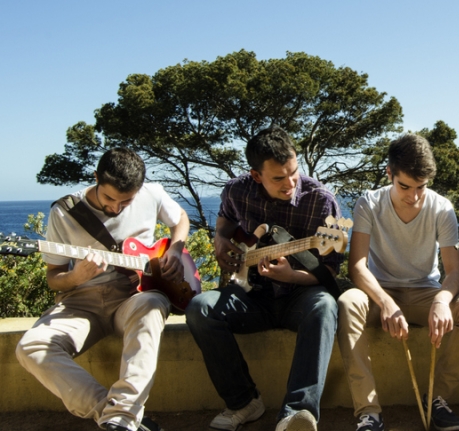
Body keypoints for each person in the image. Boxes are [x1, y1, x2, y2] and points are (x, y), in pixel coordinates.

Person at [16, 148, 190, 431]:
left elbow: (180, 217)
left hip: (133, 298)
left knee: (153, 304)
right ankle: (116, 416)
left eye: (126, 201)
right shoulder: (64, 212)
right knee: (30, 347)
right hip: (81, 303)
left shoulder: (152, 194)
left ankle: (121, 416)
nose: (116, 208)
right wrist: (76, 276)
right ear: (96, 178)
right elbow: (53, 277)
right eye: (109, 198)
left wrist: (176, 249)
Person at [185, 126, 342, 431]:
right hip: (251, 295)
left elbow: (330, 271)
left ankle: (297, 413)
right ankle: (243, 402)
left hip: (300, 296)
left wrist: (292, 275)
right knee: (200, 308)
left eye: (294, 172)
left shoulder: (321, 200)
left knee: (324, 306)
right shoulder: (236, 190)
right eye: (279, 178)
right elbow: (226, 218)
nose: (290, 183)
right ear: (256, 176)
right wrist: (220, 238)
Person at [337, 133, 459, 431]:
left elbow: (453, 271)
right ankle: (369, 412)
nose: (414, 196)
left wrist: (442, 300)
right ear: (389, 173)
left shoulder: (442, 208)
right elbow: (357, 267)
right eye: (405, 186)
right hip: (380, 294)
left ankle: (437, 398)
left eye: (421, 187)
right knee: (347, 301)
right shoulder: (369, 203)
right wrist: (385, 301)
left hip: (425, 293)